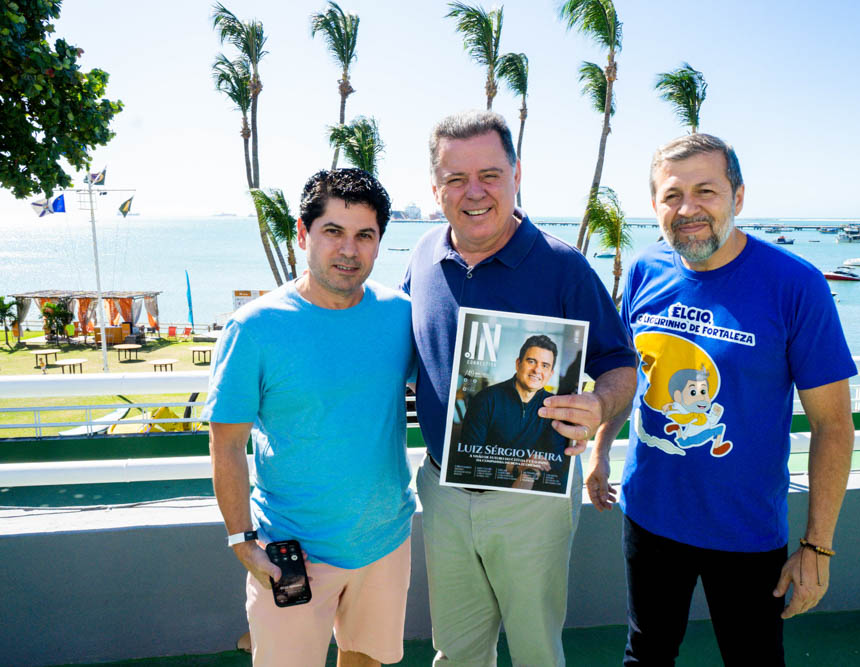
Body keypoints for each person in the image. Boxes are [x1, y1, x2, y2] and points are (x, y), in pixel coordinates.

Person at [586, 133, 857, 665]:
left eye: (705, 191)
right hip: (649, 516)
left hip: (745, 529)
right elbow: (628, 374)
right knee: (646, 653)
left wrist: (817, 546)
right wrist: (600, 450)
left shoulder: (795, 284)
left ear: (739, 196)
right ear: (655, 205)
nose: (688, 209)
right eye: (672, 195)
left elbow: (833, 424)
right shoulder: (644, 270)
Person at [403, 110, 637, 666]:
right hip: (442, 490)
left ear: (516, 175)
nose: (474, 192)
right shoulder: (423, 255)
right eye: (456, 179)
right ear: (435, 188)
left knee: (535, 651)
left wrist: (598, 403)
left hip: (532, 496)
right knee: (456, 653)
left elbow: (621, 364)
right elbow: (404, 351)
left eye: (490, 175)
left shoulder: (563, 266)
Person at [204, 168, 416, 667]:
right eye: (333, 232)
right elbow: (226, 444)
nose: (349, 250)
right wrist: (243, 543)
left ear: (379, 242)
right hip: (291, 550)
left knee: (364, 662)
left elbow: (453, 389)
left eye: (365, 235)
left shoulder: (401, 314)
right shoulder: (253, 328)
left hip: (385, 541)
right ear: (303, 233)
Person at [459, 334, 565, 489]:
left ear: (550, 374)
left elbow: (557, 460)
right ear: (518, 364)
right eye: (531, 361)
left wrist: (530, 472)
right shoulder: (486, 399)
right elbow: (467, 455)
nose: (537, 370)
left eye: (545, 365)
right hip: (485, 490)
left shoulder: (555, 407)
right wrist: (516, 466)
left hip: (534, 491)